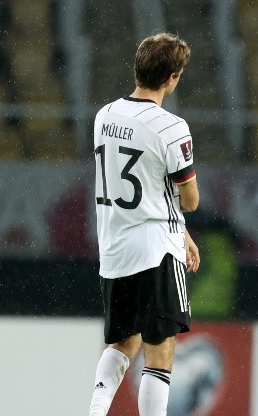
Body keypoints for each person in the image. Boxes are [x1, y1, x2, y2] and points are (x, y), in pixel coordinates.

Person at [88, 33, 200, 416]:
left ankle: (96, 409)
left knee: (121, 341)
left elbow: (138, 185)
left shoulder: (105, 116)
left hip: (114, 246)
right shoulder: (171, 127)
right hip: (156, 248)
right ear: (172, 77)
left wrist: (181, 231)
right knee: (160, 345)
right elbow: (190, 199)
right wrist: (181, 229)